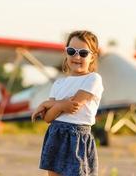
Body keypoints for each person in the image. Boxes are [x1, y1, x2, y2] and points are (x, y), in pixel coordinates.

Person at [31, 30, 104, 176]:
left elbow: (74, 105)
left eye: (83, 53)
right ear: (66, 53)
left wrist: (48, 104)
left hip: (77, 138)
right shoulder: (58, 84)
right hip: (56, 134)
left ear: (92, 57)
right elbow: (48, 118)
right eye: (71, 51)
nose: (76, 57)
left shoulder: (93, 79)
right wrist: (58, 106)